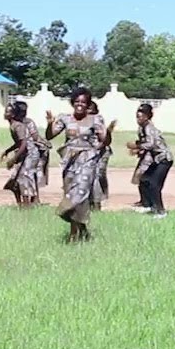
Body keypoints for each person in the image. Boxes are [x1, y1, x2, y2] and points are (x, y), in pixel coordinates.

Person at [47, 87, 108, 242]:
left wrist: (107, 135)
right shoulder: (65, 118)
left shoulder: (96, 120)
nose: (80, 104)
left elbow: (104, 141)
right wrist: (49, 123)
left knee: (79, 193)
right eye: (77, 101)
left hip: (88, 160)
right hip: (69, 162)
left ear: (88, 104)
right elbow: (50, 135)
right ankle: (82, 229)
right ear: (72, 102)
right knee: (72, 195)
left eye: (83, 102)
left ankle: (74, 235)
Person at [128, 104, 174, 217]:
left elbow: (151, 144)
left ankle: (160, 211)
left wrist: (137, 146)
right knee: (144, 179)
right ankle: (148, 205)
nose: (138, 119)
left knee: (154, 184)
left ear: (147, 117)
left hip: (163, 159)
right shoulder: (142, 128)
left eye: (140, 117)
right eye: (137, 117)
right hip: (156, 159)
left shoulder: (149, 128)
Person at [1, 100, 44, 208]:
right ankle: (21, 204)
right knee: (15, 178)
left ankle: (27, 204)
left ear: (13, 114)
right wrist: (7, 151)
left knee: (24, 177)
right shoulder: (14, 125)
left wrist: (13, 159)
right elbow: (19, 143)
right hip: (25, 153)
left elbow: (24, 144)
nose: (5, 114)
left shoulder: (18, 126)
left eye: (7, 112)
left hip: (31, 153)